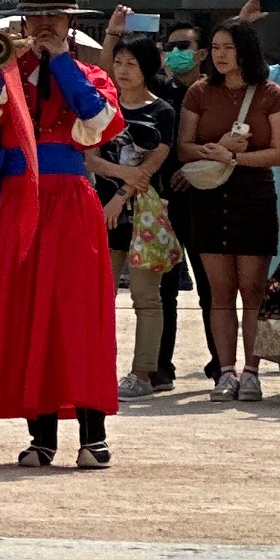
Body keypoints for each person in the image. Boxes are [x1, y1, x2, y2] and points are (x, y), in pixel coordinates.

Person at [0, 0, 125, 468]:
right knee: (25, 312)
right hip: (16, 199)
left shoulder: (90, 71)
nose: (46, 25)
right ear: (24, 21)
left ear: (70, 20)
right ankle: (42, 436)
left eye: (56, 15)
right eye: (36, 16)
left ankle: (93, 433)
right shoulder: (8, 69)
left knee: (76, 313)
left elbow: (100, 123)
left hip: (69, 200)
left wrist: (59, 62)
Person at [174, 19, 280, 401]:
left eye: (228, 47)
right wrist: (217, 150)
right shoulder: (199, 92)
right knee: (220, 291)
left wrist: (236, 158)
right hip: (209, 197)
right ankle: (226, 370)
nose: (221, 55)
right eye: (216, 47)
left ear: (245, 50)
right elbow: (184, 147)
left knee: (253, 289)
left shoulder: (271, 94)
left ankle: (253, 370)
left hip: (253, 196)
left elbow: (278, 152)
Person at [100, 40, 178, 397]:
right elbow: (87, 156)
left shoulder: (162, 110)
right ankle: (98, 369)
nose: (123, 69)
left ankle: (143, 373)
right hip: (101, 210)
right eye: (119, 62)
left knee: (147, 297)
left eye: (131, 63)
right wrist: (118, 177)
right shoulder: (101, 106)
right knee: (101, 294)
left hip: (145, 212)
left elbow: (152, 165)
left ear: (146, 67)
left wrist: (120, 195)